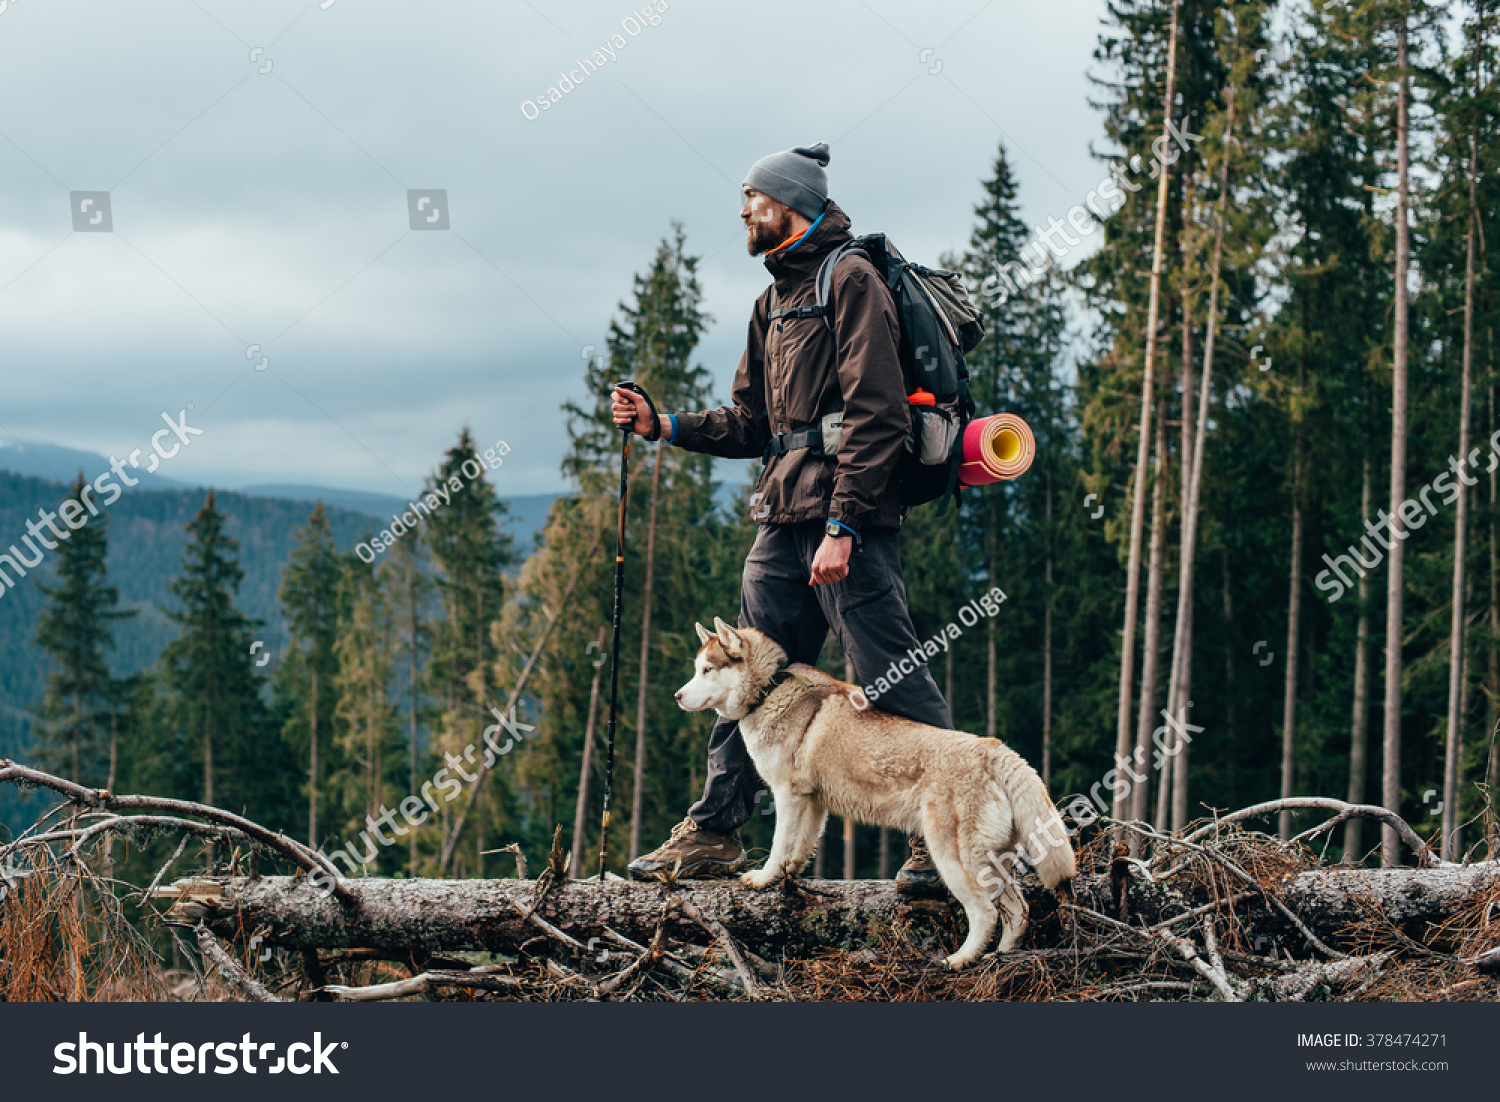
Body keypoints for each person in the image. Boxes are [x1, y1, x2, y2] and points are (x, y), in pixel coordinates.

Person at [611, 141, 952, 894]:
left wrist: (845, 526)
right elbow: (750, 422)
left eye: (751, 197)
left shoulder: (852, 279)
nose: (741, 210)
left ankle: (942, 829)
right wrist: (662, 425)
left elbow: (877, 414)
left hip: (845, 521)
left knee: (890, 678)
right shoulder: (771, 301)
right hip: (779, 516)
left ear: (789, 203)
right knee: (747, 686)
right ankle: (714, 834)